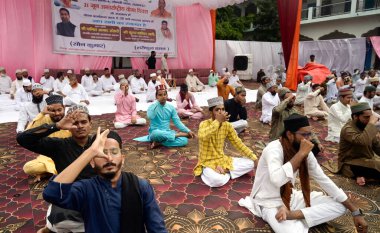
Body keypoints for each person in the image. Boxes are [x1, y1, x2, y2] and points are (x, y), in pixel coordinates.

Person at [239, 113, 368, 233]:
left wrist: (355, 211)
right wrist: (300, 154)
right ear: (290, 134)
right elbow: (277, 179)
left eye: (309, 134)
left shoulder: (303, 149)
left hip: (291, 197)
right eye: (304, 135)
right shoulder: (273, 149)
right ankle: (304, 217)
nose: (308, 139)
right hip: (268, 202)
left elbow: (323, 179)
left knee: (341, 206)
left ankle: (294, 215)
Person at [43, 128, 168, 233]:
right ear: (91, 162)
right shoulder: (86, 189)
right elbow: (52, 193)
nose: (108, 158)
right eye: (101, 154)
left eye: (114, 152)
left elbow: (157, 227)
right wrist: (90, 152)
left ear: (123, 158)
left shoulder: (140, 186)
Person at [17, 105, 95, 233]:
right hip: (69, 195)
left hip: (96, 194)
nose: (80, 126)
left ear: (90, 123)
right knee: (61, 222)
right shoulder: (59, 145)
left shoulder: (98, 143)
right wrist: (57, 126)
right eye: (75, 123)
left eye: (84, 122)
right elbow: (22, 139)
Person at [194, 96, 257, 187]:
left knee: (251, 163)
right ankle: (212, 172)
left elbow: (238, 143)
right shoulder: (204, 124)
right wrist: (217, 122)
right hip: (207, 162)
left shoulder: (227, 125)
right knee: (217, 181)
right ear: (211, 111)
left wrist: (253, 157)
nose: (221, 112)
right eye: (217, 110)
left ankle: (225, 171)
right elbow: (202, 136)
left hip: (222, 159)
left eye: (223, 109)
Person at [23, 95, 70, 183]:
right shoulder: (44, 119)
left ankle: (49, 173)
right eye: (53, 111)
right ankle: (58, 171)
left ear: (64, 108)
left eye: (59, 110)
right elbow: (27, 134)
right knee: (28, 167)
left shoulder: (69, 119)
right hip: (48, 156)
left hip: (66, 154)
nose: (56, 113)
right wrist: (42, 113)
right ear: (48, 110)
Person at [269, 88, 324, 156]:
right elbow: (277, 110)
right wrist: (288, 99)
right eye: (289, 98)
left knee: (314, 146)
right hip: (280, 139)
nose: (291, 100)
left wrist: (318, 143)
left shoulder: (295, 111)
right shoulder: (277, 111)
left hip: (292, 138)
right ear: (283, 100)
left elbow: (306, 127)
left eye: (293, 98)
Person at [338, 102, 380, 186]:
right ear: (355, 117)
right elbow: (363, 141)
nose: (369, 120)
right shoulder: (348, 129)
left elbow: (376, 146)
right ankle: (360, 175)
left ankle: (362, 176)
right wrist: (371, 124)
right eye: (366, 117)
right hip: (351, 162)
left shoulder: (365, 126)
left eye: (370, 117)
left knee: (375, 165)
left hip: (366, 160)